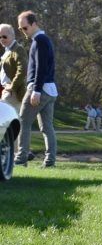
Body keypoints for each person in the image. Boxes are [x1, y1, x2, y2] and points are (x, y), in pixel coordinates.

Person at [14, 10, 58, 168]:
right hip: (50, 89)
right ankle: (50, 162)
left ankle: (20, 159)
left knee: (23, 122)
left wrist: (36, 91)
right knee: (47, 127)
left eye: (24, 28)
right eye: (20, 29)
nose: (23, 31)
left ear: (34, 24)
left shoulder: (40, 40)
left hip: (40, 89)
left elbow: (41, 69)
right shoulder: (43, 40)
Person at [0, 23, 28, 114]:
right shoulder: (7, 50)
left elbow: (23, 70)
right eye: (0, 37)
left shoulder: (18, 49)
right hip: (5, 90)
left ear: (12, 35)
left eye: (4, 36)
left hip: (12, 93)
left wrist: (12, 87)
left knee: (9, 121)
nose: (2, 39)